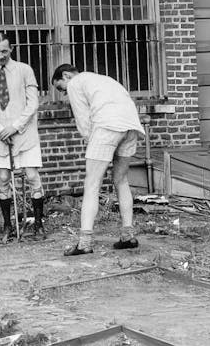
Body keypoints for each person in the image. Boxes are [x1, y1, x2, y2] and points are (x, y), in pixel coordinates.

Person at [51, 64, 146, 255]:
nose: (64, 94)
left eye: (61, 88)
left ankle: (85, 242)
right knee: (121, 180)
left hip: (107, 125)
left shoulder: (75, 83)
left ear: (66, 75)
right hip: (131, 126)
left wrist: (90, 142)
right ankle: (128, 235)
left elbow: (83, 120)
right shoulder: (104, 79)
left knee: (92, 183)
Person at [0, 33, 45, 240]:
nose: (1, 56)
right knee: (3, 179)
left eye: (4, 51)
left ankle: (39, 225)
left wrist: (15, 127)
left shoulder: (25, 70)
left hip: (24, 134)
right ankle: (8, 225)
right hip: (1, 136)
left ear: (11, 49)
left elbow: (33, 103)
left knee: (33, 177)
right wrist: (0, 130)